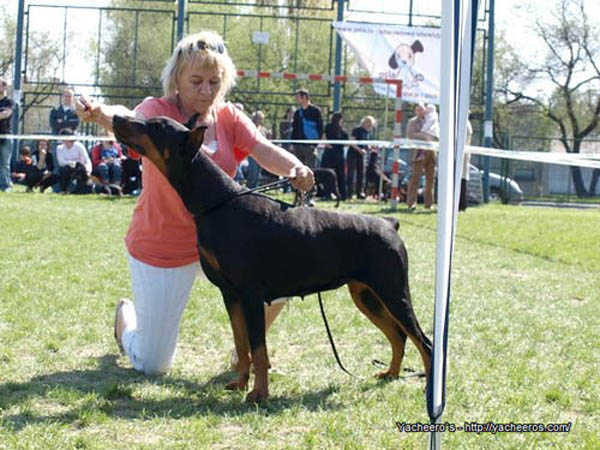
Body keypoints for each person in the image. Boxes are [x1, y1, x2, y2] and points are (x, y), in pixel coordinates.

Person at [75, 30, 314, 375]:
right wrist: (99, 113)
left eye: (214, 82)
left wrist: (296, 168)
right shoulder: (156, 111)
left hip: (223, 241)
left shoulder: (229, 117)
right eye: (197, 81)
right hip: (165, 243)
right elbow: (125, 117)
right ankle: (125, 322)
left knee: (283, 272)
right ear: (177, 78)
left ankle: (244, 352)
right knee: (152, 364)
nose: (206, 91)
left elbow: (263, 149)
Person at [406, 103, 438, 210]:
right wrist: (425, 136)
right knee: (415, 178)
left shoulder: (432, 120)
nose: (420, 112)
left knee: (430, 179)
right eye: (418, 110)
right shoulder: (412, 122)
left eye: (422, 109)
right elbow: (411, 135)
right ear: (415, 111)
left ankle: (429, 203)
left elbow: (436, 135)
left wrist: (430, 137)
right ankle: (411, 203)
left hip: (431, 152)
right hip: (418, 153)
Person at [291, 88, 323, 169]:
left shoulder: (316, 111)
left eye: (298, 97)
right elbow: (294, 128)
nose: (296, 99)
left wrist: (315, 144)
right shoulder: (297, 113)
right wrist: (293, 144)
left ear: (304, 97)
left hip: (310, 146)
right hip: (298, 145)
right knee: (298, 169)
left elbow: (320, 128)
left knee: (311, 169)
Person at [347, 115, 376, 200]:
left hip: (361, 156)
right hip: (352, 155)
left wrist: (370, 147)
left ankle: (359, 193)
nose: (370, 127)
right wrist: (359, 150)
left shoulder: (367, 133)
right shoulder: (356, 130)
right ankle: (349, 193)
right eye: (369, 124)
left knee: (361, 175)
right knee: (351, 175)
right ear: (365, 122)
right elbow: (352, 143)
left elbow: (365, 144)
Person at [55, 128, 92, 193]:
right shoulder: (59, 148)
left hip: (79, 168)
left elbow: (87, 160)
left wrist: (88, 170)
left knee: (80, 170)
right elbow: (61, 162)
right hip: (67, 169)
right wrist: (72, 163)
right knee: (64, 170)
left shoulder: (79, 146)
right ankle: (64, 190)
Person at [322, 111, 348, 200]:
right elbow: (346, 143)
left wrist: (327, 144)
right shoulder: (343, 131)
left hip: (329, 154)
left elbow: (324, 137)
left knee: (327, 174)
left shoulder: (328, 127)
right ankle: (343, 195)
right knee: (340, 175)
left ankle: (327, 194)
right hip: (338, 154)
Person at [246, 110, 272, 188]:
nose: (260, 120)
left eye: (261, 119)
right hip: (252, 152)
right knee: (252, 171)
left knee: (258, 172)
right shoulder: (250, 127)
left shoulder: (263, 130)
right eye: (259, 118)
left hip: (261, 153)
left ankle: (255, 186)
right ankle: (250, 187)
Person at [0, 77, 14, 192]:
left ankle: (6, 186)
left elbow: (6, 114)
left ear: (4, 87)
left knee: (5, 163)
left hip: (6, 136)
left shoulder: (9, 101)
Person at [459, 119, 474, 212]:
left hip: (462, 154)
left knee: (462, 181)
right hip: (461, 154)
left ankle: (462, 204)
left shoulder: (464, 124)